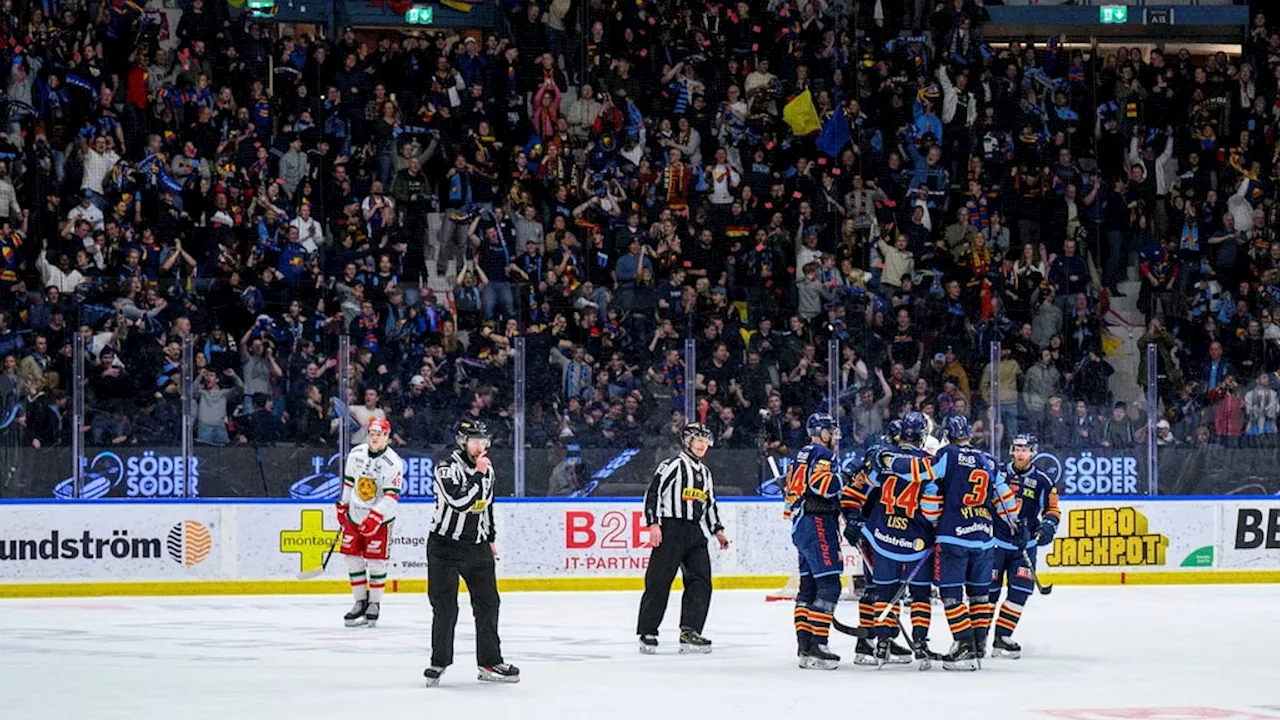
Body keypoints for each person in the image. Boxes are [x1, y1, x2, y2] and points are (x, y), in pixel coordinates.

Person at [423, 420, 520, 686]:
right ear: (462, 441)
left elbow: (487, 505)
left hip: (476, 546)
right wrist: (477, 474)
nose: (480, 446)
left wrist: (490, 538)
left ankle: (490, 661)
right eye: (474, 440)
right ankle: (439, 662)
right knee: (445, 608)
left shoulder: (487, 470)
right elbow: (459, 502)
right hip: (444, 547)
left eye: (483, 441)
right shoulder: (446, 467)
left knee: (488, 603)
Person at [921, 415, 1017, 670]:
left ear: (948, 436)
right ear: (969, 435)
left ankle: (963, 645)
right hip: (984, 538)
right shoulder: (988, 460)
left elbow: (930, 488)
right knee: (979, 595)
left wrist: (932, 522)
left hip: (953, 536)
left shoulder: (946, 455)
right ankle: (978, 643)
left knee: (951, 594)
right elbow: (1006, 500)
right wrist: (1014, 525)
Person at [636, 422, 729, 655]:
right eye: (698, 440)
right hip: (671, 529)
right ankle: (648, 631)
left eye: (705, 440)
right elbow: (654, 492)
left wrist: (717, 530)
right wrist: (654, 523)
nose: (702, 444)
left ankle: (690, 631)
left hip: (695, 531)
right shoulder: (673, 465)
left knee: (701, 580)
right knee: (659, 580)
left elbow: (709, 503)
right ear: (687, 442)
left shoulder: (705, 473)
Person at [859, 411, 941, 664]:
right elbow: (930, 506)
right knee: (920, 594)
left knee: (885, 592)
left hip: (884, 538)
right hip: (916, 540)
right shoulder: (928, 463)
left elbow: (867, 483)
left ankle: (882, 642)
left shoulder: (885, 458)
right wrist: (937, 525)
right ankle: (919, 641)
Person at [986, 433, 1061, 659]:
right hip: (995, 543)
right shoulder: (996, 473)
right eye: (1017, 448)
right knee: (987, 593)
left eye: (1024, 449)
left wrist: (1047, 527)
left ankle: (1002, 637)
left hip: (1024, 547)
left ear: (1033, 452)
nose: (1020, 452)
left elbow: (1053, 510)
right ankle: (978, 638)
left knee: (1019, 592)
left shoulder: (1043, 481)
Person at [783, 412, 847, 670]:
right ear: (823, 432)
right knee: (830, 585)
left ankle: (805, 647)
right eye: (831, 432)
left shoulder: (798, 457)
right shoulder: (823, 455)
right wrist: (847, 477)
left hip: (801, 524)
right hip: (818, 520)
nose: (834, 437)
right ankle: (819, 646)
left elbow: (789, 498)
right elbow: (823, 486)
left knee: (808, 587)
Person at [336, 417, 403, 629]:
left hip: (380, 520)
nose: (375, 438)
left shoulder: (393, 462)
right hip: (355, 515)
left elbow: (391, 496)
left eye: (379, 434)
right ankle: (359, 601)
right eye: (372, 434)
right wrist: (343, 505)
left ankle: (374, 603)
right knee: (352, 558)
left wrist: (375, 516)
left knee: (376, 562)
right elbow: (349, 483)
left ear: (387, 437)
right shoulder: (355, 455)